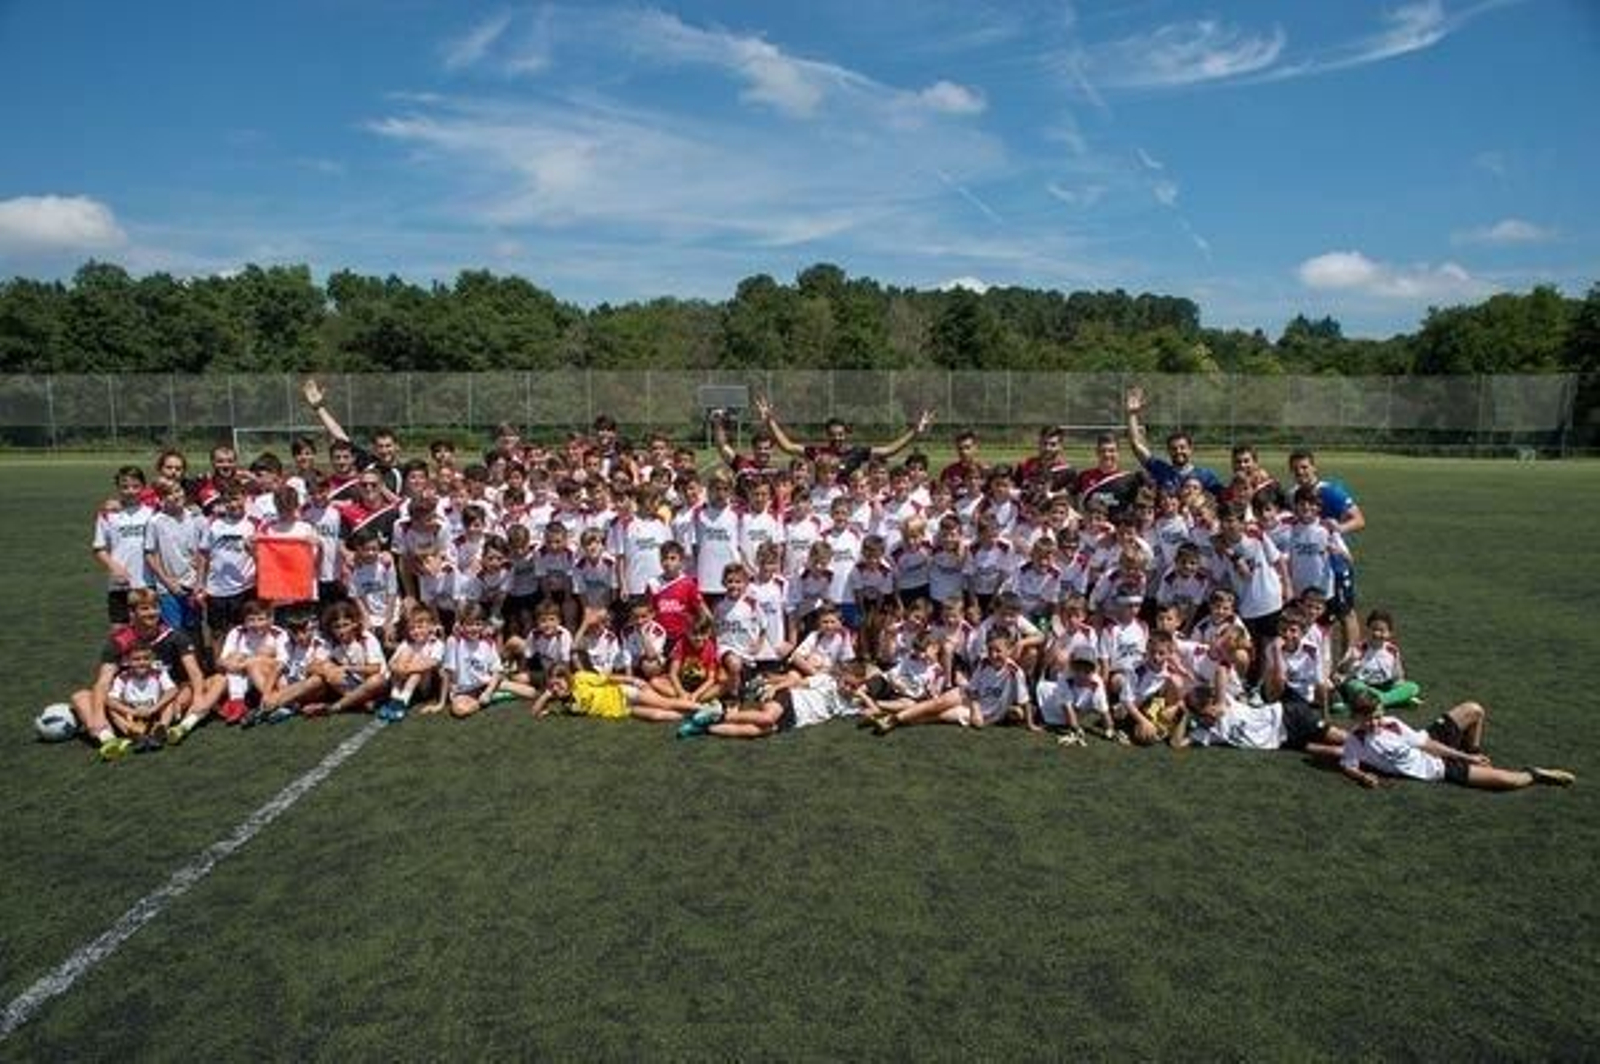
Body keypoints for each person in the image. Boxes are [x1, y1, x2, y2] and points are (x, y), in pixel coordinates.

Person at [69, 588, 224, 759]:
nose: (152, 613)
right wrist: (98, 715)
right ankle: (112, 740)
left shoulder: (175, 636)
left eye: (155, 607)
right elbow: (103, 682)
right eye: (144, 609)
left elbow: (194, 673)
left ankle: (182, 726)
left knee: (218, 680)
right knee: (81, 697)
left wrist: (199, 698)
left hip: (167, 701)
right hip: (127, 704)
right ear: (132, 613)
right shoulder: (118, 641)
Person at [1335, 690, 1574, 791]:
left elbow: (1427, 744)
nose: (1375, 723)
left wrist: (1468, 755)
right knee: (1508, 781)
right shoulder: (1355, 741)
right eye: (1368, 719)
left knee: (1474, 709)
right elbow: (1348, 766)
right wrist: (1363, 777)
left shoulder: (1392, 723)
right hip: (1437, 769)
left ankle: (1474, 751)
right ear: (1356, 717)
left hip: (1431, 744)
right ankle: (1536, 774)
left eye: (1377, 716)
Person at [755, 394, 934, 479]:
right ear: (827, 435)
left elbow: (888, 451)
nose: (837, 438)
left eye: (841, 434)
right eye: (833, 435)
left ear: (846, 434)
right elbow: (787, 446)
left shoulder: (856, 452)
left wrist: (915, 432)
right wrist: (770, 421)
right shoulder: (817, 452)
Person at [302, 378, 403, 493]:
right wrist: (319, 407)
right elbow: (339, 435)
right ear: (374, 449)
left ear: (397, 446)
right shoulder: (368, 463)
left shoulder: (406, 471)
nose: (384, 450)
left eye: (388, 446)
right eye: (380, 446)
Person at [1123, 386, 1223, 496]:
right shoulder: (1161, 470)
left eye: (1182, 447)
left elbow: (1223, 499)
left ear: (1191, 449)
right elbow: (1136, 445)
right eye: (1174, 448)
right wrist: (1132, 414)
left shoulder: (1205, 476)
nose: (1178, 451)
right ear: (1168, 451)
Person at [92, 465, 155, 623]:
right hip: (119, 585)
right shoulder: (108, 514)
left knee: (147, 632)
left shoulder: (152, 514)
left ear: (143, 487)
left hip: (147, 583)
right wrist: (114, 567)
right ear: (118, 488)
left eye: (135, 486)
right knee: (120, 632)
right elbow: (99, 548)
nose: (130, 491)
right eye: (125, 487)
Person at [103, 639, 182, 753]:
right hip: (132, 717)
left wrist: (154, 709)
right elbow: (110, 700)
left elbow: (173, 690)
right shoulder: (123, 677)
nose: (142, 662)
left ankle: (159, 732)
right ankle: (135, 736)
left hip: (155, 713)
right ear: (127, 661)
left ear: (152, 659)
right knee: (112, 709)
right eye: (136, 659)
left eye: (146, 658)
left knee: (170, 701)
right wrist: (131, 711)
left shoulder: (158, 673)